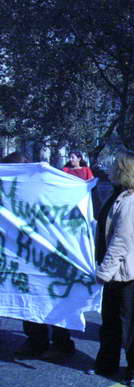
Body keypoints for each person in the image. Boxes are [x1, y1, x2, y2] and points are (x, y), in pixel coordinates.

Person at [2, 152, 77, 360]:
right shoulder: (11, 188)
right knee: (29, 298)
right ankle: (36, 340)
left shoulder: (44, 184)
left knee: (55, 300)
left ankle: (62, 343)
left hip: (50, 255)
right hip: (24, 256)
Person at [86, 151, 134, 385]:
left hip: (129, 274)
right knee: (110, 321)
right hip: (115, 271)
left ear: (125, 171)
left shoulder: (132, 201)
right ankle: (106, 365)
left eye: (116, 166)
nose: (111, 169)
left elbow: (120, 241)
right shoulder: (118, 195)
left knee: (130, 324)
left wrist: (103, 272)